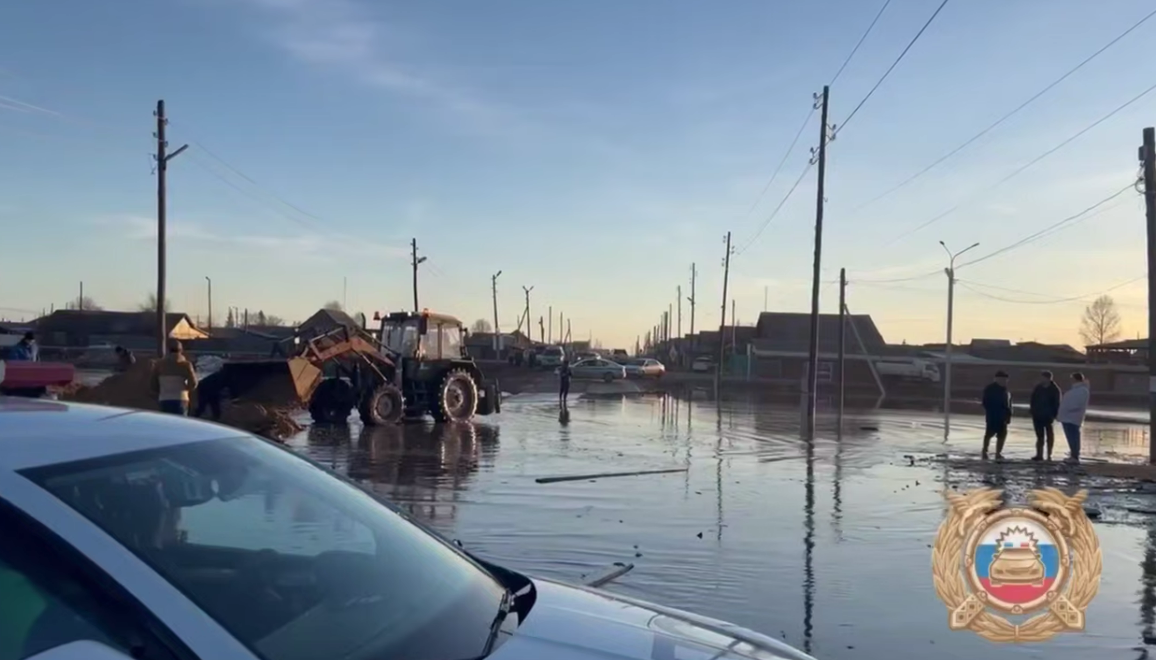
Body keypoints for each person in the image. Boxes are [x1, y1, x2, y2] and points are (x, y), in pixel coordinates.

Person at [150, 339, 198, 416]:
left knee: (166, 424)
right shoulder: (185, 365)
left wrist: (161, 391)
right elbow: (193, 383)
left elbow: (153, 384)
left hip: (164, 399)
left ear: (168, 350)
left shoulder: (159, 365)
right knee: (180, 423)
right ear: (181, 350)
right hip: (181, 398)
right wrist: (185, 389)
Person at [1057, 372, 1090, 464]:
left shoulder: (1082, 390)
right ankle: (1073, 455)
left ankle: (1075, 456)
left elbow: (1077, 404)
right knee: (1071, 437)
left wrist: (1068, 409)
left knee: (1073, 437)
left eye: (1072, 378)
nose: (1070, 380)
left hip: (1072, 417)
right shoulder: (1075, 390)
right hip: (1067, 417)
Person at [1029, 370, 1062, 461]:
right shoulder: (1038, 388)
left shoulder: (1054, 389)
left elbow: (1057, 403)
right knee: (1040, 436)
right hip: (1037, 415)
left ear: (1048, 378)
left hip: (1048, 416)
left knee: (1049, 436)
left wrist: (1054, 414)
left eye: (1043, 378)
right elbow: (1033, 399)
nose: (1041, 379)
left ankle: (1049, 454)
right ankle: (1039, 455)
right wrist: (1033, 410)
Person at [981, 370, 1012, 460]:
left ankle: (998, 452)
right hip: (993, 416)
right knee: (989, 433)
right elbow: (985, 402)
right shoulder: (990, 389)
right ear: (997, 379)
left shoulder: (1005, 390)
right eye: (1002, 379)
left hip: (1003, 417)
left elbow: (1008, 404)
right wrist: (991, 412)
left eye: (1006, 380)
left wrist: (1009, 415)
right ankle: (985, 450)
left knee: (1002, 435)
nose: (1004, 381)